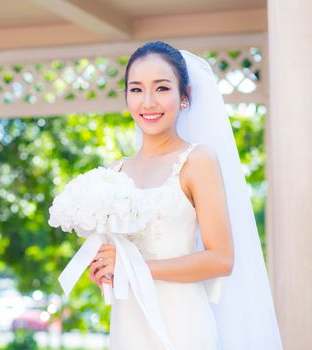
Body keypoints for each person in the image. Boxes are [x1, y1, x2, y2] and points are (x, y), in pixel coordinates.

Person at [88, 41, 283, 349]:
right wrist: (104, 268)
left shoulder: (197, 161)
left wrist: (136, 269)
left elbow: (221, 259)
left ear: (184, 97)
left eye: (162, 88)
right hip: (129, 324)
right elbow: (119, 256)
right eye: (136, 89)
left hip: (183, 324)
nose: (148, 102)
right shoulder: (116, 172)